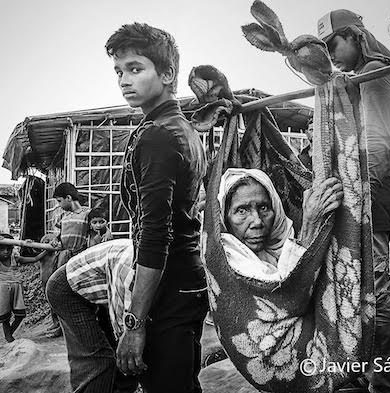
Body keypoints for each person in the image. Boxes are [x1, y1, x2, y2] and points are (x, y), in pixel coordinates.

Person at [105, 22, 208, 393]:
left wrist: (135, 324)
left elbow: (154, 236)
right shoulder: (183, 128)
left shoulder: (159, 135)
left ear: (167, 74)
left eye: (135, 68)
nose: (124, 80)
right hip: (186, 282)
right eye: (119, 71)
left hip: (169, 289)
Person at [317, 10, 390, 393]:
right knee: (355, 285)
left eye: (333, 44)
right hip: (358, 190)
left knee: (376, 288)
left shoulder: (375, 72)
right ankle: (364, 370)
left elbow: (381, 147)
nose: (330, 54)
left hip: (370, 190)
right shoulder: (354, 78)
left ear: (354, 36)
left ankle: (387, 383)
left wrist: (358, 188)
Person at [47, 239, 136, 393]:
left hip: (97, 292)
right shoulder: (129, 267)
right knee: (99, 361)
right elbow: (123, 329)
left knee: (121, 357)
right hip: (66, 290)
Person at [218, 168, 342, 277]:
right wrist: (310, 223)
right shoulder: (226, 259)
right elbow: (284, 293)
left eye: (263, 208)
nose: (257, 222)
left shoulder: (283, 243)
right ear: (225, 217)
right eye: (242, 211)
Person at [15, 233, 62, 336]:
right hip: (45, 282)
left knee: (56, 303)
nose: (47, 243)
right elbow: (35, 252)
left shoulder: (57, 255)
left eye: (49, 241)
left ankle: (60, 325)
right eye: (45, 242)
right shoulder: (43, 255)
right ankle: (55, 323)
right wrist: (30, 244)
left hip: (54, 283)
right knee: (50, 304)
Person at [53, 182, 91, 268]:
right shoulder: (63, 216)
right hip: (63, 257)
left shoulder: (86, 214)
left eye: (59, 201)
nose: (59, 205)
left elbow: (98, 228)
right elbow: (61, 233)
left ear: (68, 198)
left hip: (80, 256)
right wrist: (56, 239)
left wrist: (107, 232)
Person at [0, 234, 26, 343]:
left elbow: (34, 259)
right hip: (3, 289)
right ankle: (8, 336)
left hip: (17, 288)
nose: (6, 252)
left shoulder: (15, 258)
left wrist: (45, 252)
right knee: (5, 315)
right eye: (2, 249)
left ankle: (9, 333)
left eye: (9, 249)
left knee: (20, 314)